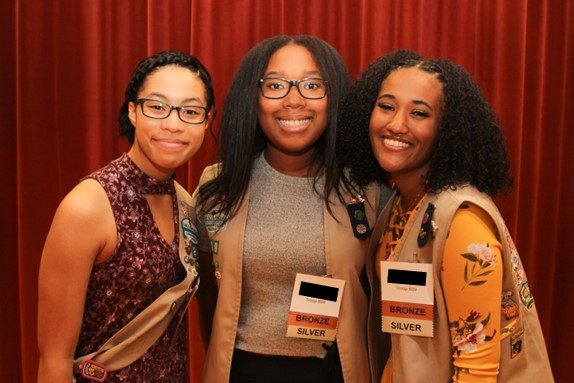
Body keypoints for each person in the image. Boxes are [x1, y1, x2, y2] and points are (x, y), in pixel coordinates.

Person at [336, 50, 554, 382]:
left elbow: (476, 371)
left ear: (447, 129)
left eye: (419, 113)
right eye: (386, 106)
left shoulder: (463, 223)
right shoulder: (401, 204)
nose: (396, 124)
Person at [194, 35, 379, 383]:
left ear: (334, 96)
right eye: (276, 85)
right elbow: (207, 299)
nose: (294, 100)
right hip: (242, 371)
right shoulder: (217, 186)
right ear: (254, 97)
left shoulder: (367, 190)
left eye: (312, 85)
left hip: (336, 371)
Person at [37, 51, 215, 382]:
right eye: (157, 107)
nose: (173, 124)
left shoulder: (186, 203)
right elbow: (54, 358)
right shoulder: (88, 206)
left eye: (190, 111)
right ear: (133, 111)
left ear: (206, 121)